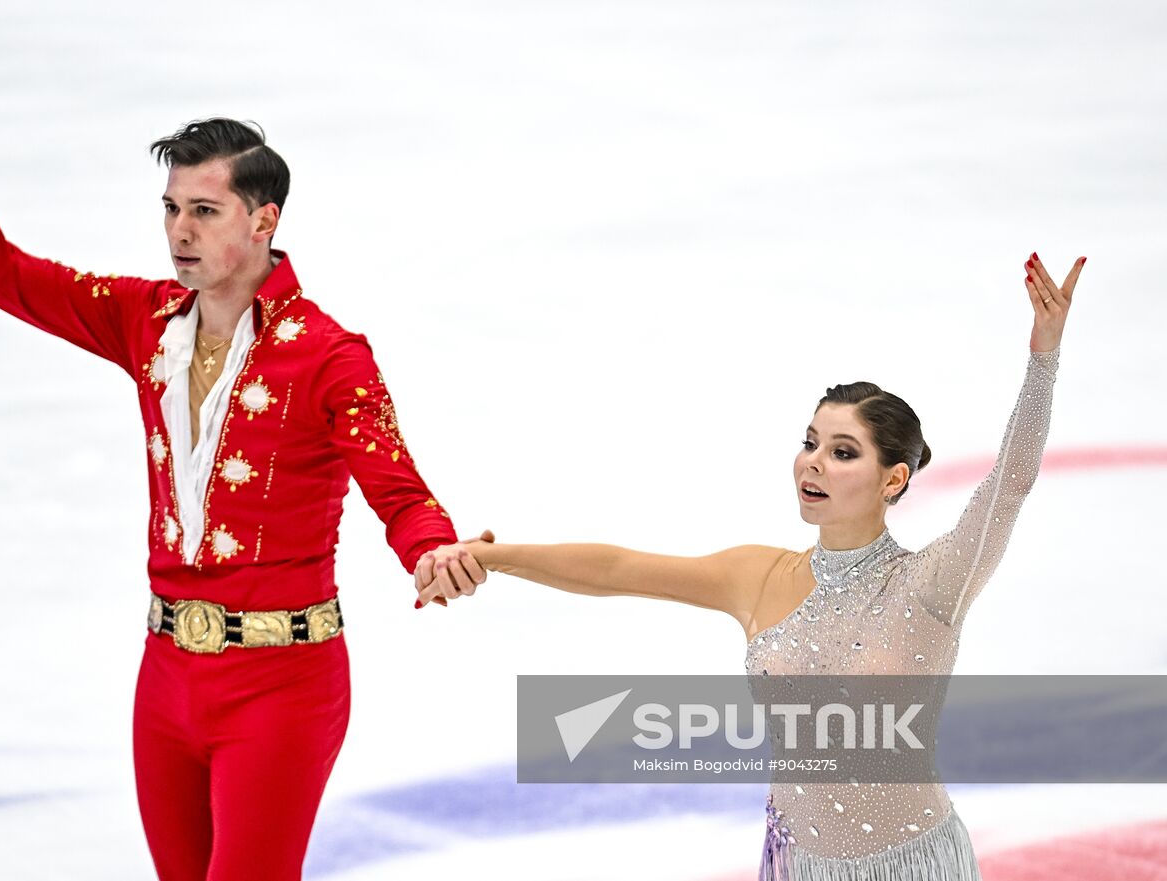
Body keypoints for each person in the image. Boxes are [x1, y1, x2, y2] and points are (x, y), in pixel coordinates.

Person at [0, 18, 487, 881]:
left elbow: (401, 490)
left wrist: (431, 549)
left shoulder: (328, 355)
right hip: (165, 679)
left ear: (264, 218)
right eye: (171, 209)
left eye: (204, 211)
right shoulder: (145, 321)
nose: (179, 232)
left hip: (282, 685)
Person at [424, 253, 1085, 880]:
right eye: (810, 443)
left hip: (914, 866)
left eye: (844, 450)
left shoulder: (934, 582)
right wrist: (493, 555)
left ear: (894, 478)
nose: (813, 462)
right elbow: (618, 568)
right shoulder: (758, 577)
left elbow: (1013, 482)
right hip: (802, 864)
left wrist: (1043, 360)